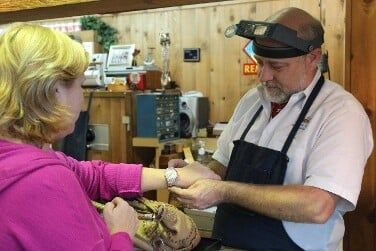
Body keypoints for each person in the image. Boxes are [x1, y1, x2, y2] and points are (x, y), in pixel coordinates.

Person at [0, 23, 220, 250]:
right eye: (81, 86)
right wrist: (122, 232)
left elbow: (93, 175)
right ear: (55, 90)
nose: (82, 98)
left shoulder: (26, 156)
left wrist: (174, 176)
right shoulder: (45, 181)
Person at [169, 7, 373, 251]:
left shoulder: (340, 112)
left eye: (276, 67)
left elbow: (318, 206)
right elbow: (220, 167)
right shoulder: (252, 101)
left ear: (313, 58)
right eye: (259, 63)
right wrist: (197, 174)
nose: (263, 76)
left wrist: (222, 191)